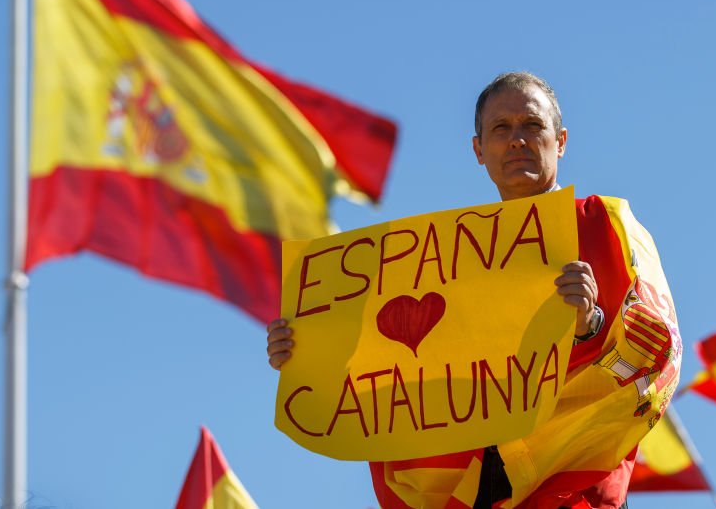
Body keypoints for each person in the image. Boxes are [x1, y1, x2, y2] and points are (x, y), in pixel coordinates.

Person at [266, 72, 680, 509]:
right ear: (479, 150)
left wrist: (588, 327)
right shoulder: (437, 262)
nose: (516, 140)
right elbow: (400, 376)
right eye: (500, 128)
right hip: (476, 491)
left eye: (531, 125)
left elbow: (660, 350)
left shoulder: (607, 224)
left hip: (572, 493)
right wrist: (309, 358)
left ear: (560, 141)